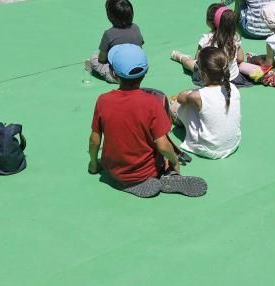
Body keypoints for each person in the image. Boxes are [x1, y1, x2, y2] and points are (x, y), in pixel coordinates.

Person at [88, 44, 207, 198]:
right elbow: (163, 145)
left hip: (114, 170)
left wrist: (93, 164)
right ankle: (168, 174)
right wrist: (175, 162)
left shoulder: (103, 100)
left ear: (113, 73)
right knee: (164, 157)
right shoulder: (152, 103)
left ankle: (126, 182)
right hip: (147, 171)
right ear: (145, 72)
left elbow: (94, 140)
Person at [169, 47, 241, 160]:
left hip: (210, 149)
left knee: (174, 104)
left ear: (203, 72)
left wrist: (192, 91)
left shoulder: (198, 96)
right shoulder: (233, 88)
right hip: (232, 144)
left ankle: (180, 122)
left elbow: (180, 98)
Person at [170, 3, 245, 86]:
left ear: (210, 22)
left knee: (189, 62)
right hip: (233, 77)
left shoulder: (206, 39)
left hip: (210, 79)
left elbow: (198, 59)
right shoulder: (234, 37)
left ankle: (180, 57)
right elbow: (241, 58)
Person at [85, 0, 144, 84]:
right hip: (138, 74)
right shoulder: (136, 27)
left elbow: (102, 59)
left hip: (117, 76)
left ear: (110, 17)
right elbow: (139, 47)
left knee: (94, 57)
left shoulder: (108, 34)